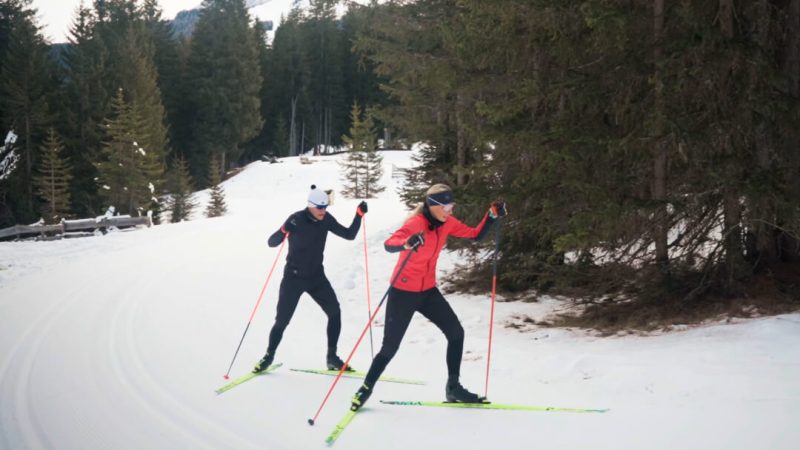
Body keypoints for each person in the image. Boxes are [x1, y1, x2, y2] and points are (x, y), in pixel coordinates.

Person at [350, 183, 506, 410]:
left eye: (452, 205)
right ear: (433, 206)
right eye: (447, 206)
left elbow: (474, 235)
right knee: (389, 347)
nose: (451, 210)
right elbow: (388, 244)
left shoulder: (447, 223)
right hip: (403, 292)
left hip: (427, 291)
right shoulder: (415, 223)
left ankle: (453, 387)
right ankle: (365, 388)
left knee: (456, 333)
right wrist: (406, 243)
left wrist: (491, 216)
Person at [253, 185, 368, 373]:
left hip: (316, 277)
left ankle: (332, 357)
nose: (323, 211)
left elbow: (349, 234)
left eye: (326, 207)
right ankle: (268, 356)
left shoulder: (326, 219)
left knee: (335, 312)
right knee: (282, 321)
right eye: (320, 207)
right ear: (310, 205)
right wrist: (283, 230)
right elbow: (271, 243)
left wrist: (358, 215)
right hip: (293, 278)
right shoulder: (296, 219)